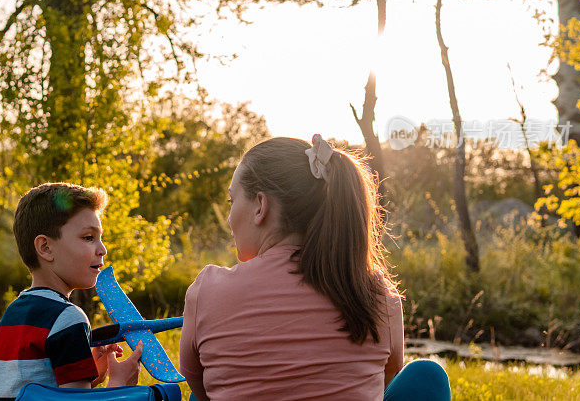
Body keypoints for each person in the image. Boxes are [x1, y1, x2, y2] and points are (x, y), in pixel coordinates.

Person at [179, 135, 450, 400]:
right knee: (426, 375)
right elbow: (385, 382)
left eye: (232, 200)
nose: (228, 218)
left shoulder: (206, 290)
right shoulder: (378, 293)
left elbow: (200, 388)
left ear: (260, 206)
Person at [0, 183, 143, 401]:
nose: (103, 249)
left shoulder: (12, 314)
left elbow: (27, 390)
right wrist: (120, 384)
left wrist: (90, 376)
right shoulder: (68, 318)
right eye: (88, 238)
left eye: (100, 237)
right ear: (45, 248)